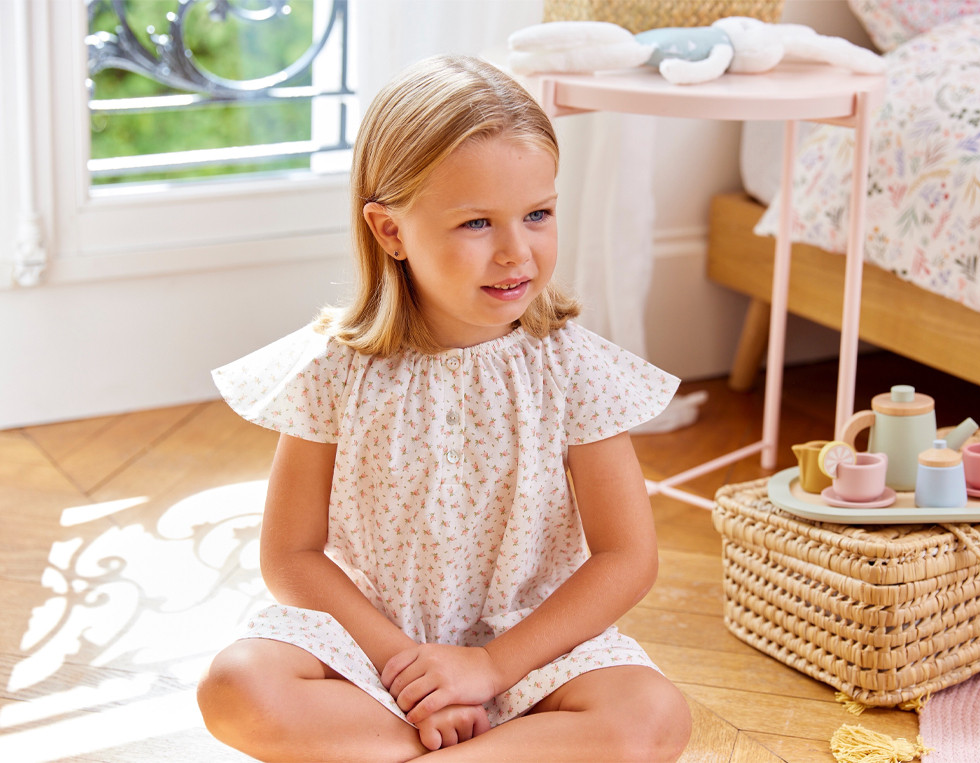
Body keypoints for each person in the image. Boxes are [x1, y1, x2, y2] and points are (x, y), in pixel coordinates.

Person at [197, 54, 691, 762]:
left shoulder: (572, 366)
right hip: (372, 648)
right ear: (390, 230)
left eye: (538, 214)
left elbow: (627, 556)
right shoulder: (334, 368)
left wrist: (490, 667)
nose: (516, 251)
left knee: (653, 715)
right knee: (237, 684)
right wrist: (408, 667)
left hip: (530, 648)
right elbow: (291, 554)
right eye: (476, 223)